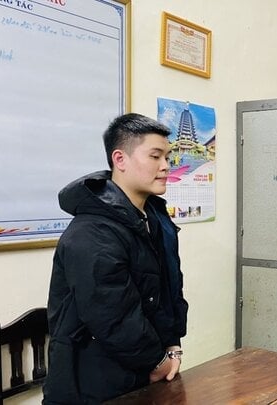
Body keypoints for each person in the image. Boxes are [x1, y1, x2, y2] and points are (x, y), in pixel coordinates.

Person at [43, 113, 189, 404]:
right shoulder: (91, 232)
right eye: (155, 156)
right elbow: (112, 316)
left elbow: (170, 286)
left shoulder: (155, 217)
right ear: (120, 159)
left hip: (149, 370)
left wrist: (172, 347)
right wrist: (156, 361)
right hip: (92, 383)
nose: (165, 167)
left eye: (167, 157)